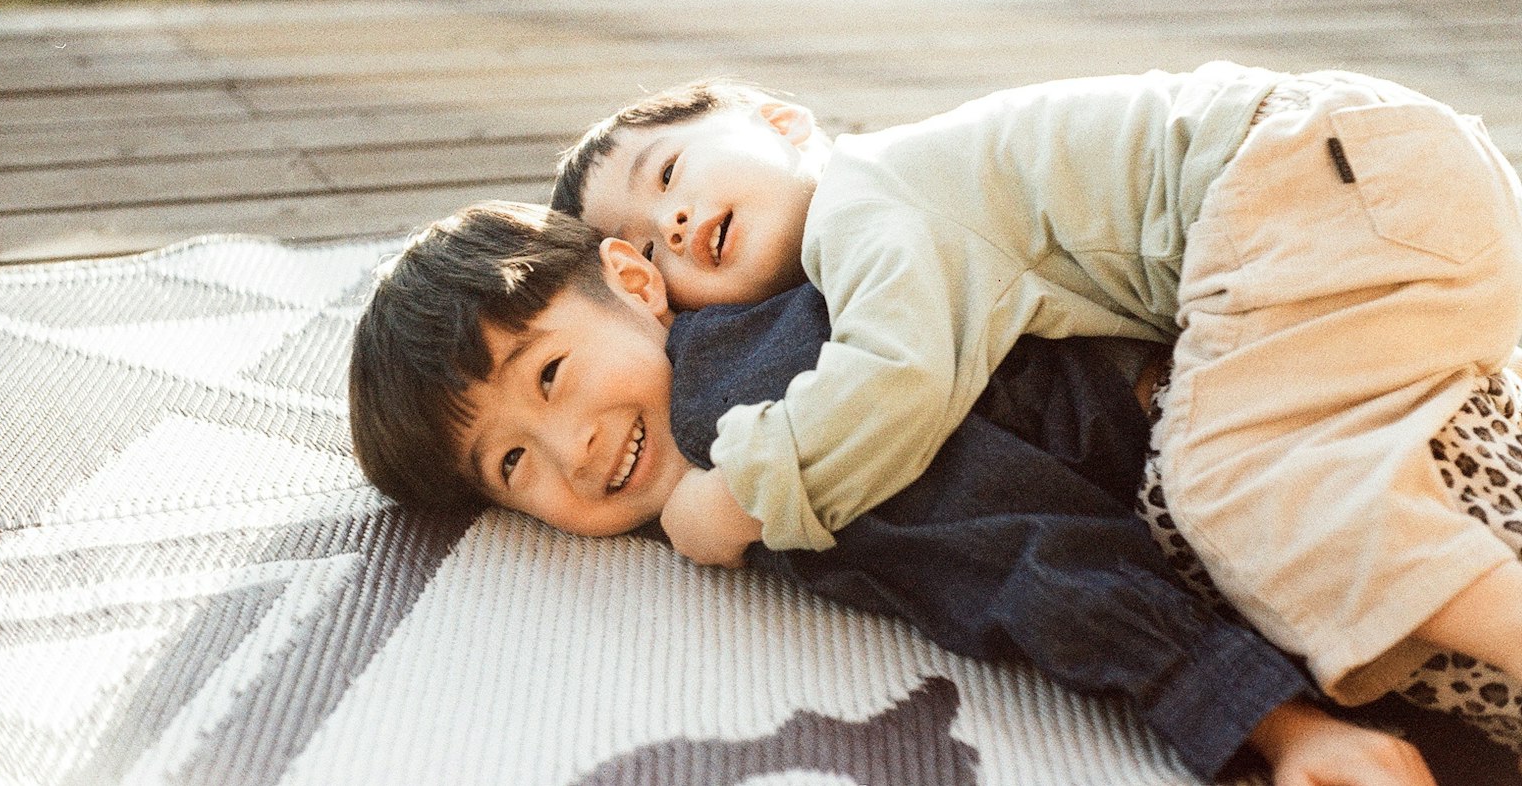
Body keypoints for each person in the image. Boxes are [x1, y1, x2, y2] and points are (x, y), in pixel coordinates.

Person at [347, 200, 1440, 786]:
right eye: (510, 463)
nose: (573, 449)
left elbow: (1015, 545)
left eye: (549, 375)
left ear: (638, 283)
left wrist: (1275, 724)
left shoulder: (757, 410)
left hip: (1259, 422)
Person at [546, 64, 1522, 715]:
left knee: (1228, 483)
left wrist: (748, 491)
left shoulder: (867, 198)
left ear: (785, 123)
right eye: (644, 246)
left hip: (1293, 182)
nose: (671, 222)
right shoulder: (910, 189)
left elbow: (898, 377)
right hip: (1385, 181)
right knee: (1332, 436)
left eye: (670, 170)